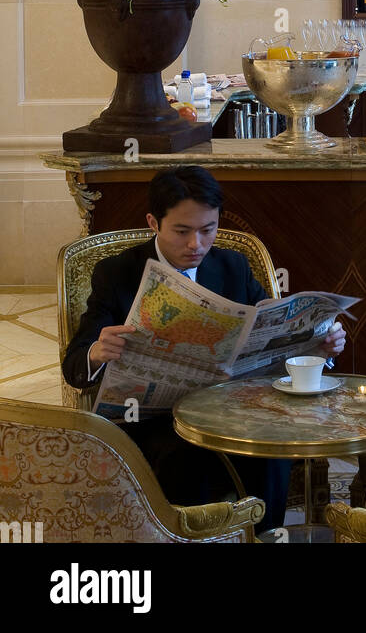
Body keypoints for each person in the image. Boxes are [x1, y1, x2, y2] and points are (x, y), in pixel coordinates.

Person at [62, 164, 346, 532]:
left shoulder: (233, 266)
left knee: (272, 448)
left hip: (233, 410)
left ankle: (264, 538)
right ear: (153, 222)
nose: (196, 244)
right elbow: (74, 367)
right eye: (182, 231)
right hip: (154, 419)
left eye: (207, 230)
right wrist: (97, 352)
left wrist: (319, 348)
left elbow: (270, 334)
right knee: (184, 454)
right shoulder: (117, 273)